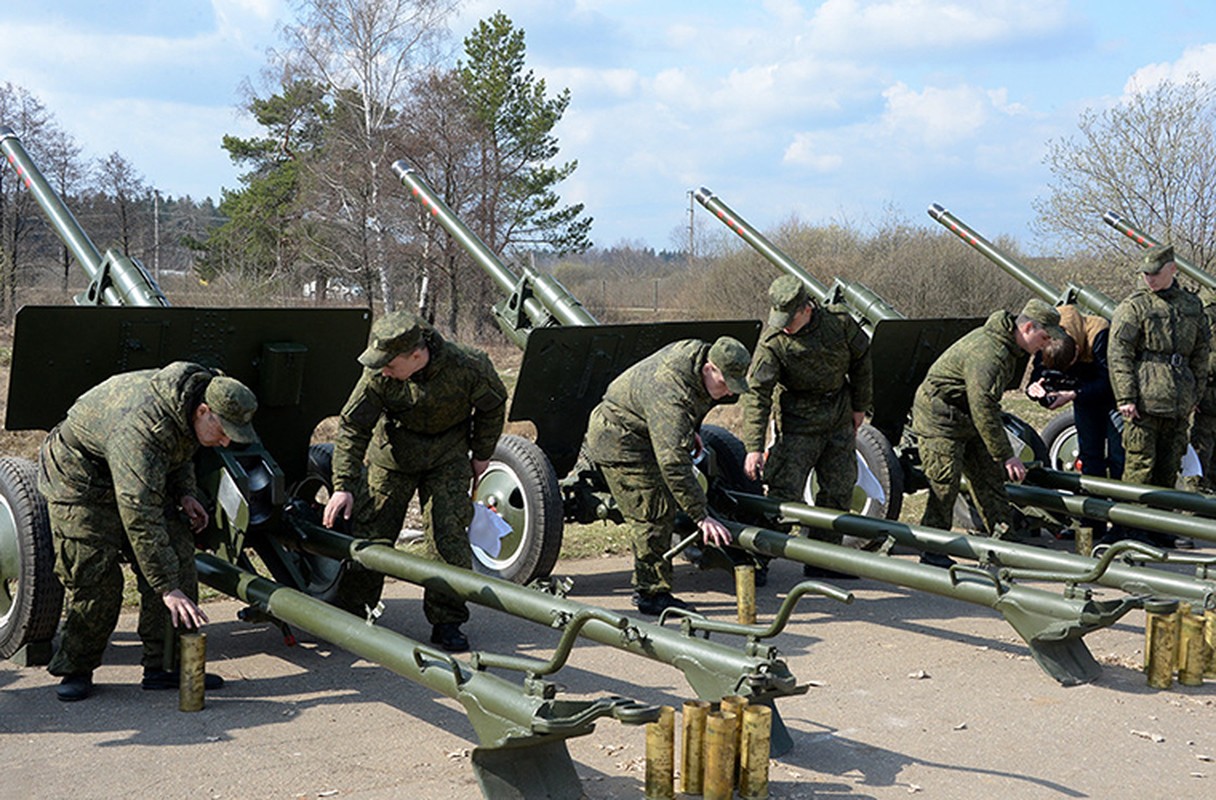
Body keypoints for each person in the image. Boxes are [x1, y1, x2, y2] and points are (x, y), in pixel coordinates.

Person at [41, 362, 258, 702]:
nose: (227, 441)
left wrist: (186, 492)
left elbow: (180, 450)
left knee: (179, 554)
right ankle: (77, 667)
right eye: (224, 430)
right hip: (80, 477)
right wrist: (165, 587)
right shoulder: (142, 427)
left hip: (137, 472)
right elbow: (139, 512)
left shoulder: (190, 403)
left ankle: (165, 666)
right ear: (204, 411)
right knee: (95, 575)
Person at [323, 311, 507, 653]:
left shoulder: (469, 365)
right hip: (393, 456)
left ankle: (447, 621)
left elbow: (493, 406)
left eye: (390, 365)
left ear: (417, 356)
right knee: (371, 534)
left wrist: (482, 453)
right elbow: (353, 426)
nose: (383, 371)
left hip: (448, 456)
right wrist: (343, 485)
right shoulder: (379, 373)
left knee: (448, 535)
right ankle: (354, 613)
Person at [583, 336, 751, 615]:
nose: (727, 393)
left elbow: (683, 414)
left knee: (668, 496)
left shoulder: (696, 356)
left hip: (645, 427)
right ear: (709, 368)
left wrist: (690, 430)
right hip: (619, 437)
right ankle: (651, 594)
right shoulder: (671, 390)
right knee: (653, 509)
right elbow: (673, 463)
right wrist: (701, 515)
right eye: (724, 384)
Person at [909, 299, 1062, 566]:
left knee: (989, 478)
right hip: (939, 418)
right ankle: (931, 549)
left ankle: (1004, 543)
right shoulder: (990, 352)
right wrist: (1006, 454)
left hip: (967, 415)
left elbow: (983, 405)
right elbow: (984, 404)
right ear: (1027, 327)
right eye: (1044, 336)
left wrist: (998, 456)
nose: (1045, 344)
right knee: (944, 483)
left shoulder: (1010, 348)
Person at [740, 275, 872, 579]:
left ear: (806, 309)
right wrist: (754, 448)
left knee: (838, 489)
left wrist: (859, 407)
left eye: (789, 318)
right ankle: (758, 560)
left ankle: (824, 561)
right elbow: (757, 395)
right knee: (783, 495)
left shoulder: (839, 324)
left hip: (838, 417)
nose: (784, 324)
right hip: (797, 424)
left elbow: (862, 360)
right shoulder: (774, 343)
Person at [1108, 245, 1210, 504]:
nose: (1149, 278)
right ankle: (1132, 528)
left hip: (1178, 404)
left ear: (1172, 269)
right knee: (1139, 470)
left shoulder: (1192, 305)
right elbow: (1119, 353)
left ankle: (1162, 528)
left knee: (1169, 469)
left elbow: (1200, 352)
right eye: (1145, 273)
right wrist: (1126, 397)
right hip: (1144, 403)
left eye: (1154, 273)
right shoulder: (1134, 307)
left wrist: (1194, 393)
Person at [1026, 304, 1124, 480]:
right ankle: (1095, 502)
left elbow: (1110, 382)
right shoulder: (1047, 340)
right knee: (1089, 455)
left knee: (1119, 454)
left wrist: (1074, 394)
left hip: (1112, 398)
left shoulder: (1099, 333)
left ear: (1077, 352)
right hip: (1084, 400)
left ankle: (1124, 504)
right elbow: (1040, 373)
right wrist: (1035, 389)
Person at [1186, 284, 1216, 494]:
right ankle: (1195, 499)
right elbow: (1202, 355)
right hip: (1208, 390)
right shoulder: (1207, 309)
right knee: (1202, 448)